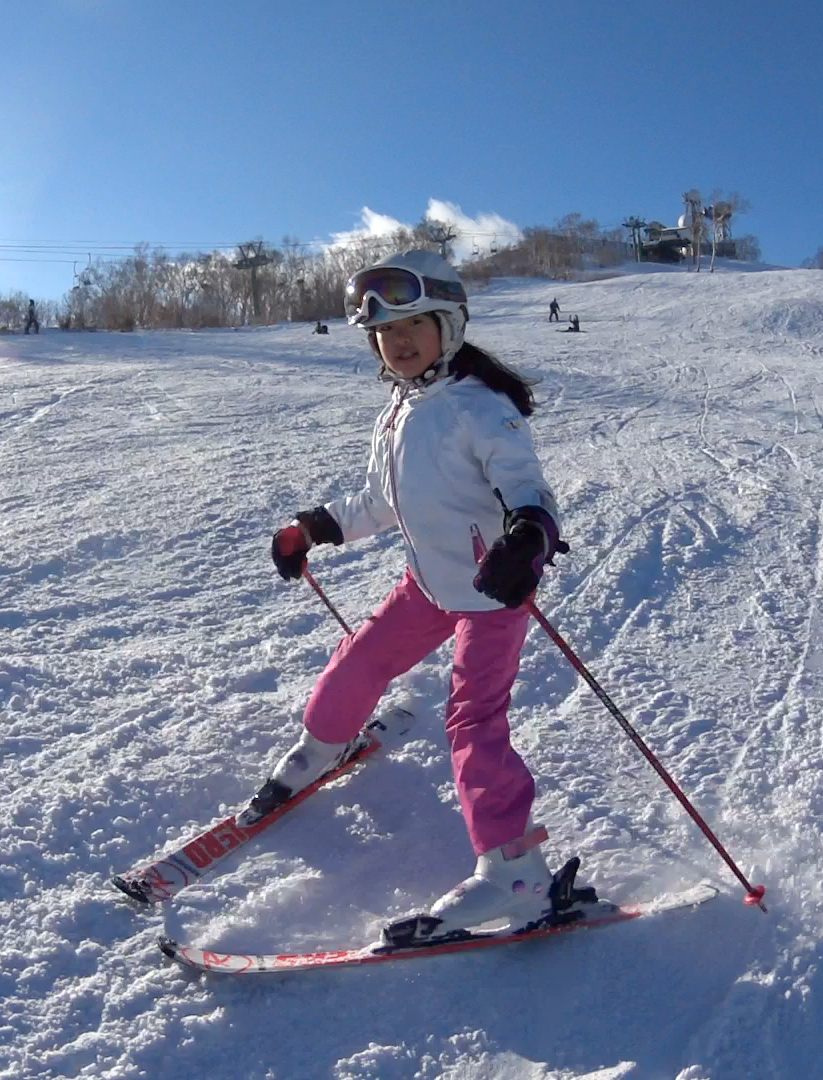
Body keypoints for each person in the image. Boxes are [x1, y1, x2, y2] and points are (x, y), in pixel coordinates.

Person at [258, 250, 570, 941]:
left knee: (473, 721)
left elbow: (528, 487)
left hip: (493, 591)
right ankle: (323, 745)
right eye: (384, 335)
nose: (397, 344)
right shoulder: (400, 411)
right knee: (360, 660)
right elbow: (379, 500)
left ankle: (515, 875)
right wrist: (314, 528)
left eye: (413, 328)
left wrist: (528, 537)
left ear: (449, 326)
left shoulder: (478, 406)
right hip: (428, 584)